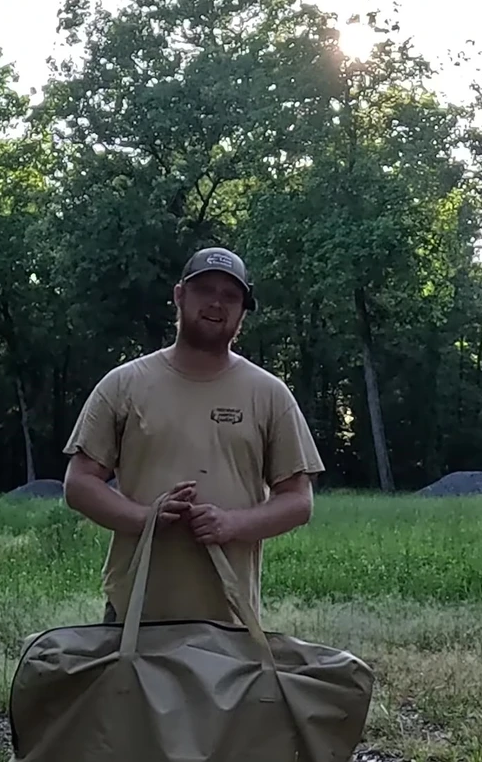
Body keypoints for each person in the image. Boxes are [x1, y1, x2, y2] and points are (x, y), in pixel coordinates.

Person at [63, 247, 324, 625]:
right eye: (205, 290)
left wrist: (231, 525)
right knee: (128, 689)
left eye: (231, 296)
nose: (217, 303)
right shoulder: (124, 385)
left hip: (230, 616)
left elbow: (299, 501)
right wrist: (145, 518)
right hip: (135, 612)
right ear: (179, 295)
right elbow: (80, 483)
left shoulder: (269, 394)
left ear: (243, 311)